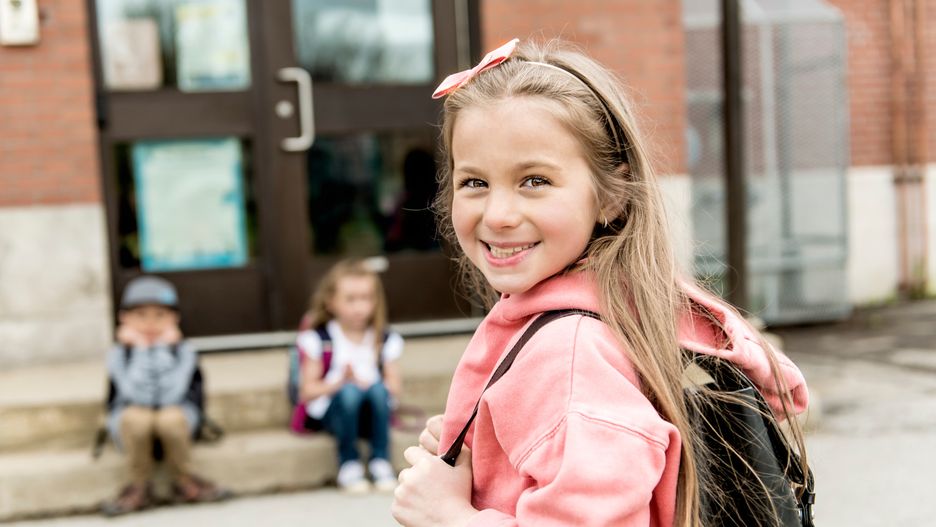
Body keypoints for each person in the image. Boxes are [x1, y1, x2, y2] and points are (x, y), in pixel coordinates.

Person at [391, 38, 811, 526]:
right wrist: (490, 450)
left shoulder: (568, 356)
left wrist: (448, 516)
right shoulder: (618, 309)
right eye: (474, 182)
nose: (498, 214)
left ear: (610, 197)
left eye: (534, 181)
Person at [101, 276, 228, 516]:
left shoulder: (185, 351)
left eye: (160, 315)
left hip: (176, 414)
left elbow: (173, 394)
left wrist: (160, 350)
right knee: (137, 418)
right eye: (141, 315)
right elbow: (134, 394)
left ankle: (184, 480)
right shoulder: (118, 354)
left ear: (175, 319)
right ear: (123, 319)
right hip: (133, 416)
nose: (150, 323)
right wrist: (140, 350)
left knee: (169, 418)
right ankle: (139, 485)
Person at [296, 259, 404, 494]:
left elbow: (394, 387)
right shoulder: (320, 339)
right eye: (351, 299)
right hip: (337, 413)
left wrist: (374, 384)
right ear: (330, 301)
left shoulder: (383, 339)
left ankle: (380, 460)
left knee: (376, 390)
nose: (359, 307)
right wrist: (339, 382)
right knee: (349, 392)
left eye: (366, 298)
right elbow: (307, 391)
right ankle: (349, 463)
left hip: (371, 411)